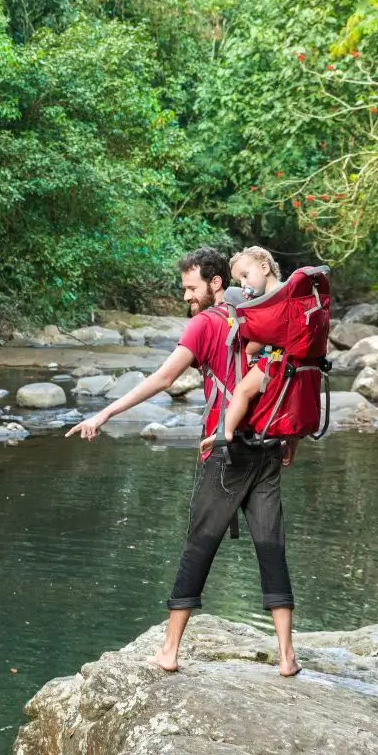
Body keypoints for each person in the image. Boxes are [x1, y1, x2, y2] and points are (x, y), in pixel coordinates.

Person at [65, 247, 301, 677]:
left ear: (216, 284)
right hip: (267, 446)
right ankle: (287, 656)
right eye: (184, 289)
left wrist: (105, 412)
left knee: (198, 546)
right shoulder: (260, 315)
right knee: (272, 548)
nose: (187, 297)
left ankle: (169, 650)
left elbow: (163, 378)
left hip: (226, 452)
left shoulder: (205, 324)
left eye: (192, 288)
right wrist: (291, 437)